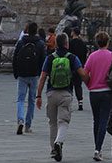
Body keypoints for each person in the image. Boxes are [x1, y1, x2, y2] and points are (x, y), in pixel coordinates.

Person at [36, 30, 90, 162]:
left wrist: (38, 96)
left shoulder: (50, 58)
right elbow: (83, 74)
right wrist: (90, 80)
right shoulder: (72, 58)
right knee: (63, 121)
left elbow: (42, 77)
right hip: (66, 92)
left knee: (52, 122)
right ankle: (59, 142)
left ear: (56, 44)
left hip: (51, 93)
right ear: (67, 44)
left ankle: (53, 150)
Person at [83, 29, 112, 162]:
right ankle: (98, 149)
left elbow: (85, 73)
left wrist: (89, 84)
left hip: (94, 92)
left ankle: (97, 147)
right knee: (104, 120)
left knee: (96, 120)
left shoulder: (92, 56)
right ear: (108, 41)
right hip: (107, 91)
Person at [13, 20, 46, 136]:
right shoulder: (40, 43)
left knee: (20, 99)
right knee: (32, 100)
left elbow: (15, 57)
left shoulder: (22, 42)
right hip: (34, 74)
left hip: (22, 74)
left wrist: (16, 72)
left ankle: (20, 119)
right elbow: (43, 59)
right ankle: (28, 125)